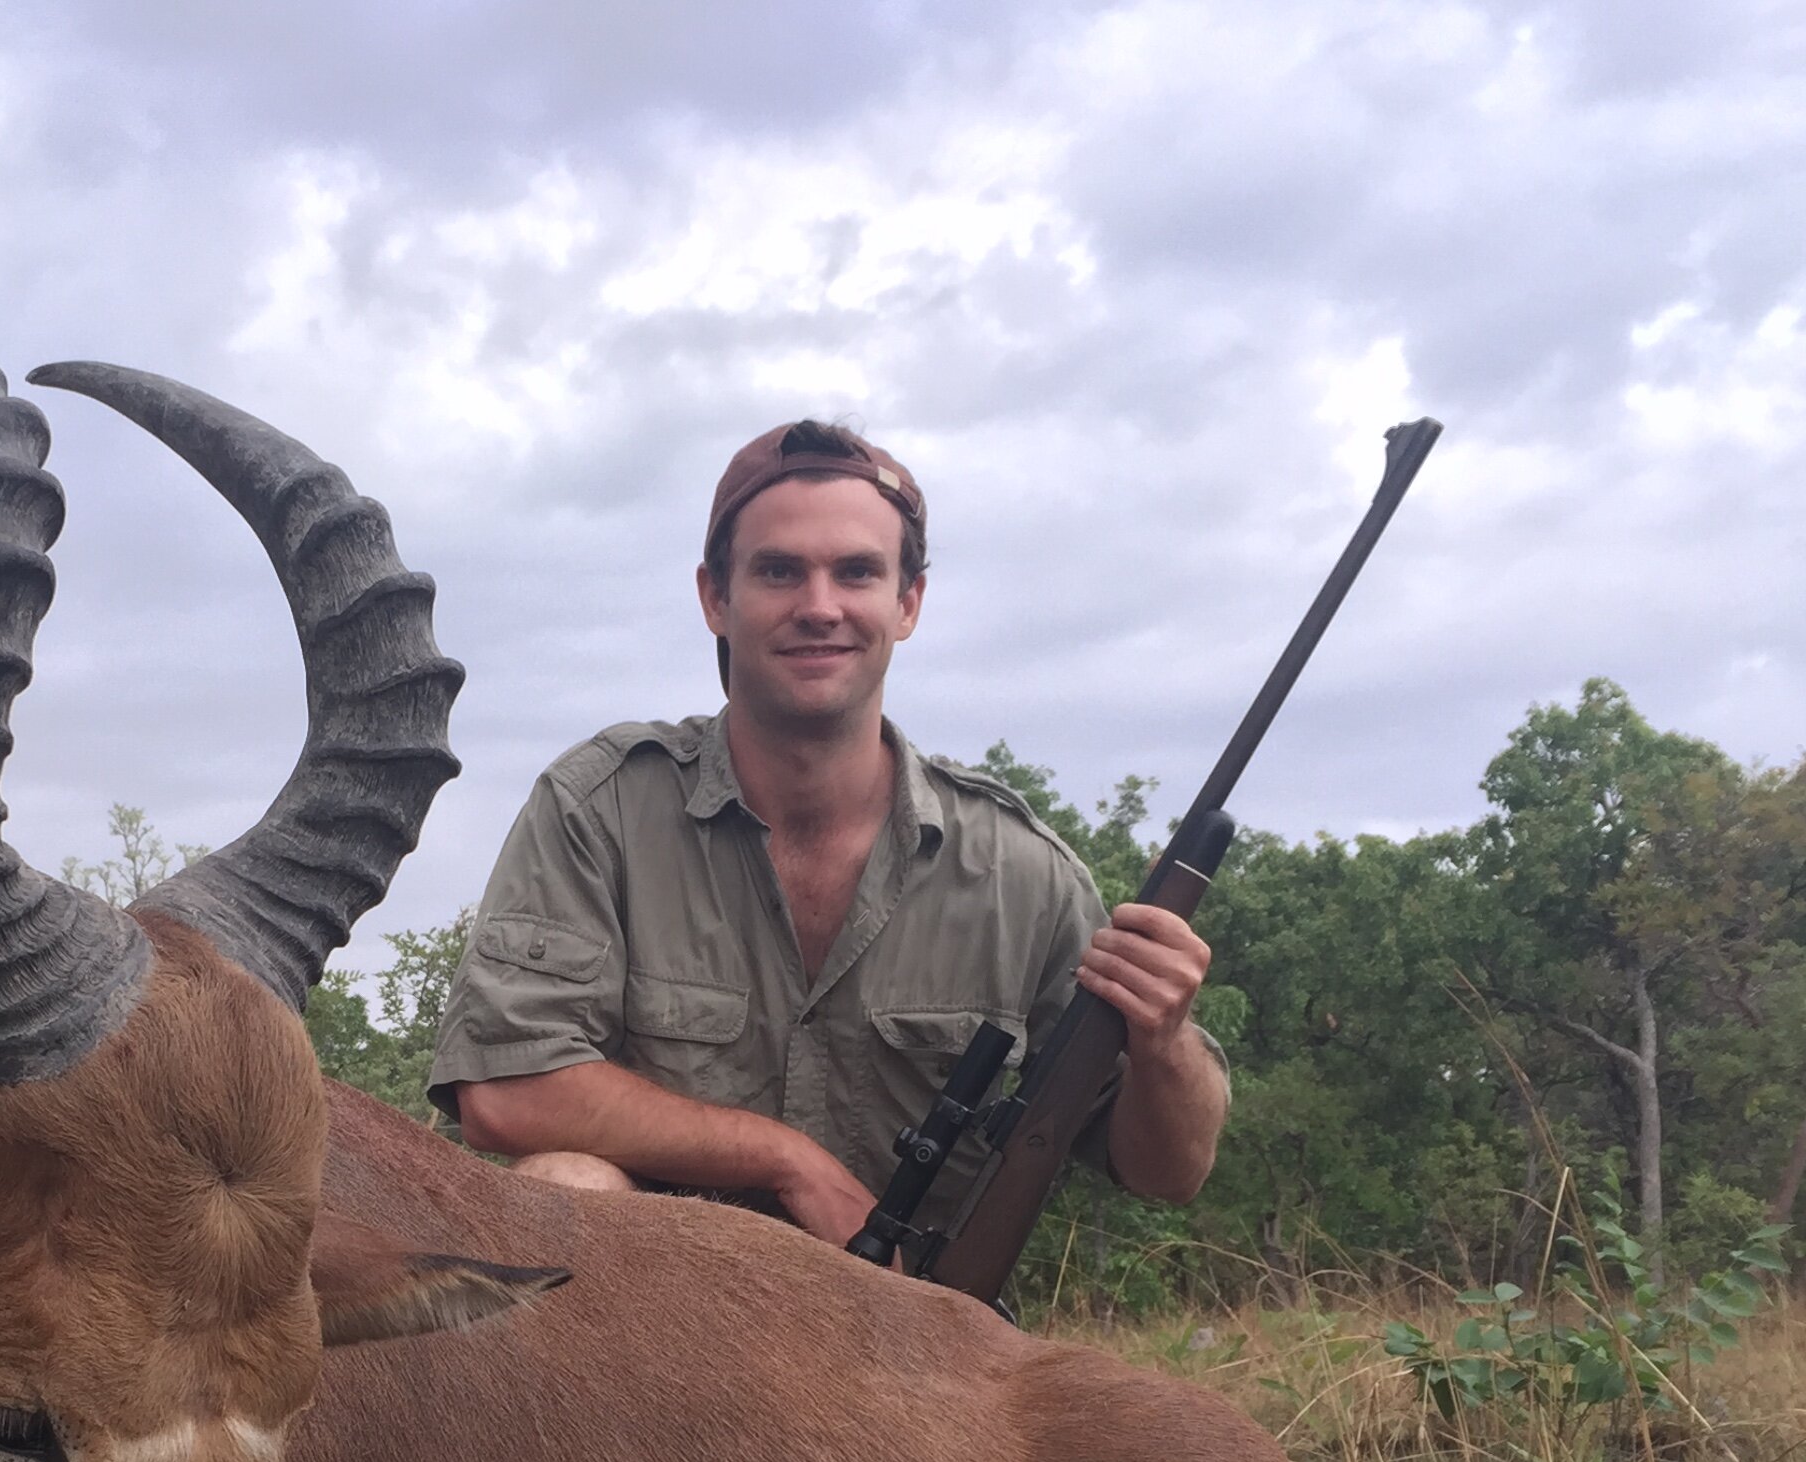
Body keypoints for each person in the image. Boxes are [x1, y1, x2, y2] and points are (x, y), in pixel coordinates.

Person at [428, 419, 1230, 1249]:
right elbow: (505, 1090)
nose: (820, 607)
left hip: (914, 1334)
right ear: (715, 598)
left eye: (856, 572)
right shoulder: (600, 808)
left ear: (907, 602)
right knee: (568, 1185)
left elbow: (1169, 1172)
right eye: (778, 572)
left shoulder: (1025, 875)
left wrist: (1163, 1040)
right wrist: (786, 1160)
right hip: (653, 1337)